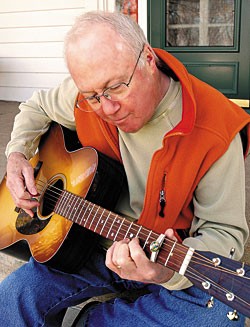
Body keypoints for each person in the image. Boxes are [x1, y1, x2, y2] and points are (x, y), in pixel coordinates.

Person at [0, 10, 250, 327]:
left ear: (147, 58)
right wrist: (18, 153)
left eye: (117, 86)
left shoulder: (215, 127)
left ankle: (90, 320)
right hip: (83, 243)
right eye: (93, 96)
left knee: (222, 316)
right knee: (10, 299)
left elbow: (225, 235)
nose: (106, 108)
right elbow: (35, 106)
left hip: (163, 256)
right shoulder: (85, 93)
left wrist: (165, 271)